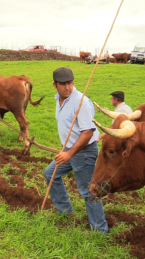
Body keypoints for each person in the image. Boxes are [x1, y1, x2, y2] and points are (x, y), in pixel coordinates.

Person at [44, 67, 108, 234]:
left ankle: (100, 230)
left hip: (84, 151)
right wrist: (66, 149)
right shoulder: (59, 99)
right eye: (63, 84)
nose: (68, 87)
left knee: (89, 191)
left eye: (70, 83)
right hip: (69, 149)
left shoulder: (81, 102)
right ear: (55, 85)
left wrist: (69, 153)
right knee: (51, 174)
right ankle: (65, 211)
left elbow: (88, 132)